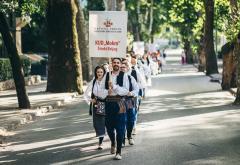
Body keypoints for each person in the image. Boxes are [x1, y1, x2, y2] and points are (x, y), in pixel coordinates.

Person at [104, 58, 131, 160]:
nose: (116, 64)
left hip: (120, 102)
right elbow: (101, 89)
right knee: (109, 127)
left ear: (120, 64)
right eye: (114, 62)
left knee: (120, 128)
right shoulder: (107, 75)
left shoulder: (124, 76)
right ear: (111, 63)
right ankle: (113, 142)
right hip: (109, 102)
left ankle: (118, 152)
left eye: (118, 63)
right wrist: (107, 92)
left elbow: (125, 90)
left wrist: (114, 87)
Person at [84, 66, 108, 150]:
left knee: (108, 122)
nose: (99, 73)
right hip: (97, 104)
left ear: (104, 73)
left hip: (107, 103)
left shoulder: (108, 81)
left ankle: (112, 139)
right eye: (98, 72)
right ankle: (100, 142)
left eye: (101, 72)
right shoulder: (93, 81)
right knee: (98, 124)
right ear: (96, 73)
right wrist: (91, 100)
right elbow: (86, 93)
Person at [120, 62, 139, 146]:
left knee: (131, 120)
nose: (122, 69)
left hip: (129, 100)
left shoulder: (131, 78)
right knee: (122, 120)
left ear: (127, 68)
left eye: (124, 67)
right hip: (120, 101)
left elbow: (136, 89)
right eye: (121, 67)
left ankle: (129, 136)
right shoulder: (115, 78)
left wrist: (132, 93)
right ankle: (122, 139)